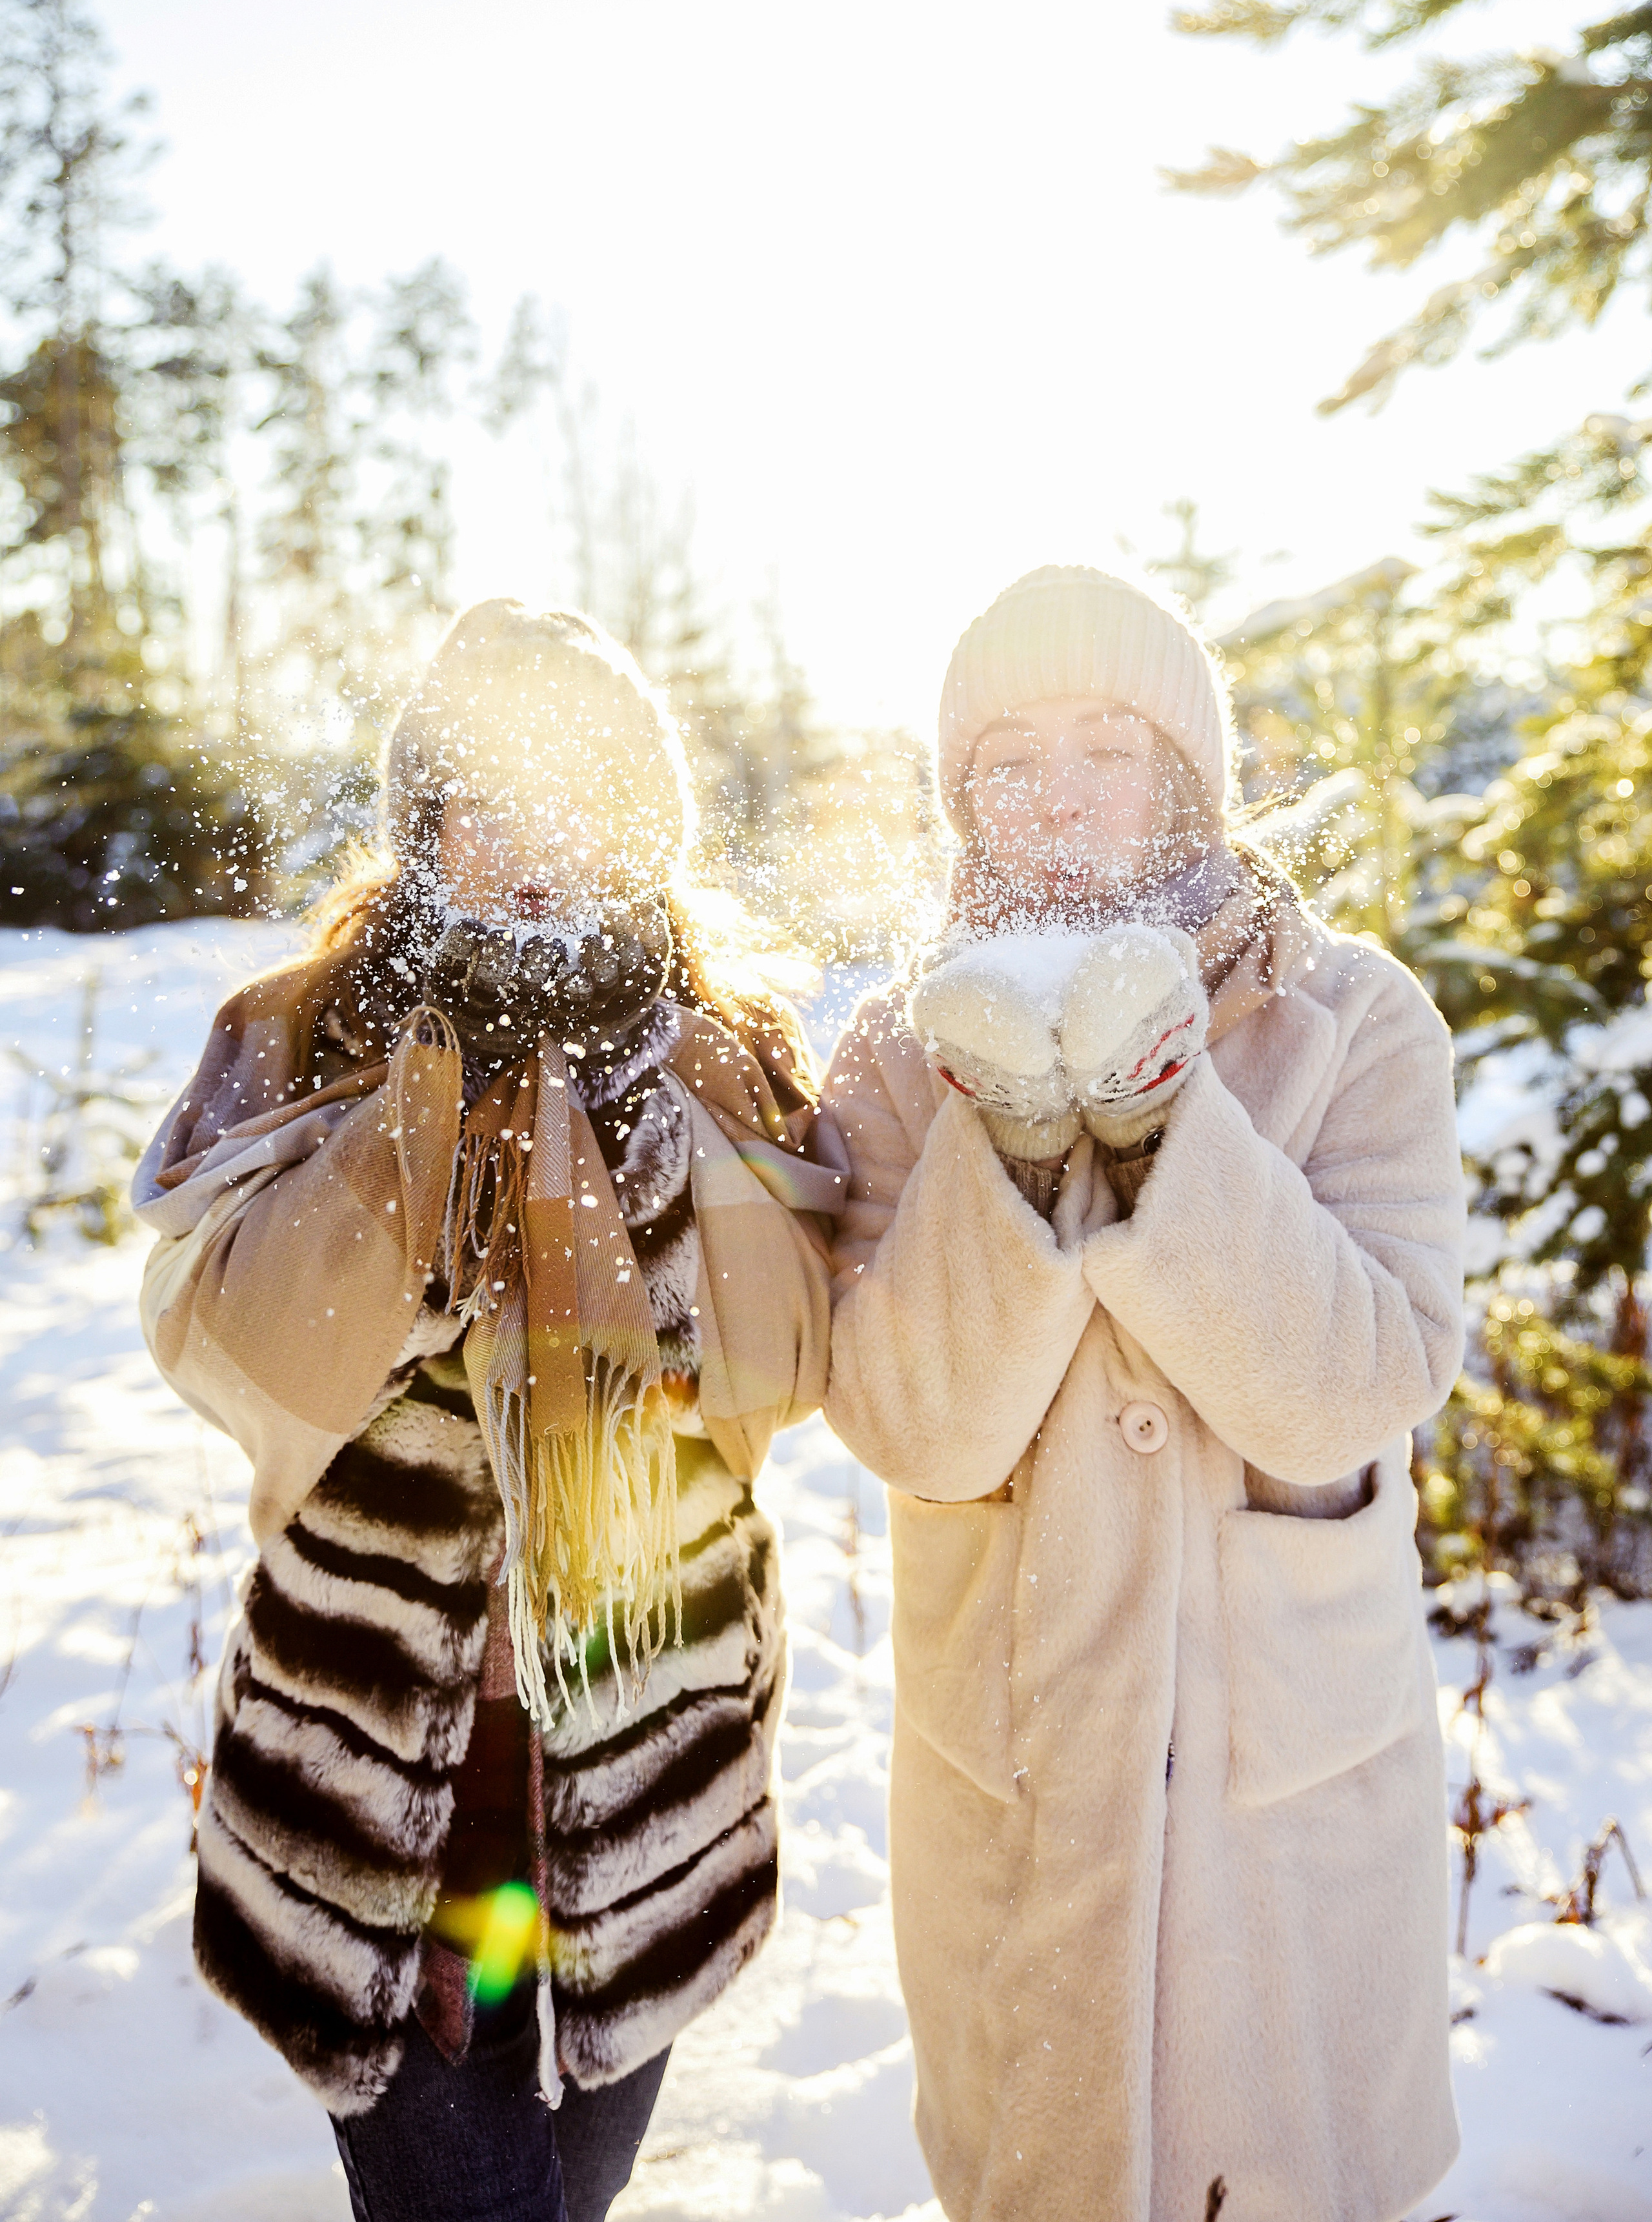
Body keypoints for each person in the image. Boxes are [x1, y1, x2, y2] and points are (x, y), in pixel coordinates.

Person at [134, 601, 842, 2222]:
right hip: (378, 1775)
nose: (535, 847)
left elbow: (786, 1367)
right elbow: (237, 1357)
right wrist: (420, 1125)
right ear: (423, 823)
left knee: (564, 2192)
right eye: (490, 802)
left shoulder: (723, 1053)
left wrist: (632, 1141)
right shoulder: (308, 1028)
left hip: (638, 1759)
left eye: (580, 797)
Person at [822, 565, 1464, 2222]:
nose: (1054, 796)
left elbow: (1362, 1383)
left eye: (1106, 746)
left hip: (1287, 1773)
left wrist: (1161, 1123)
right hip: (1021, 1760)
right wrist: (1013, 1147)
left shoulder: (1352, 1017)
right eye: (1009, 757)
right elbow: (911, 1425)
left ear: (1186, 774)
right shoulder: (897, 1057)